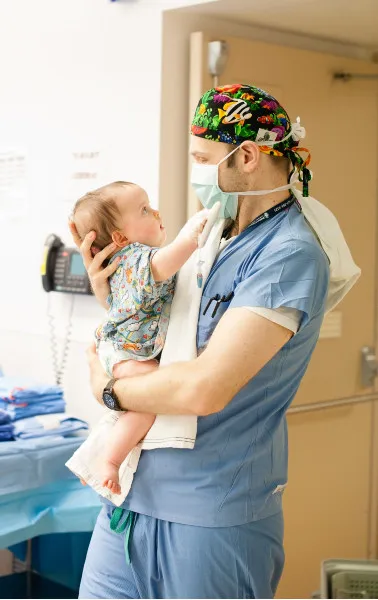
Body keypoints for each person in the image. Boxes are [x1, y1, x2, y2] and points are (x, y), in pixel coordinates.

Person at [71, 84, 331, 599]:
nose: (194, 172)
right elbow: (168, 335)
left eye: (202, 158)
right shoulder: (216, 233)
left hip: (210, 515)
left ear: (248, 155)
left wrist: (108, 385)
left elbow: (202, 389)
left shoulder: (287, 255)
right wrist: (116, 298)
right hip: (129, 498)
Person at [70, 181, 208, 495]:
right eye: (144, 209)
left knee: (133, 410)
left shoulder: (128, 260)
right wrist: (191, 234)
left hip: (123, 347)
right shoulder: (135, 258)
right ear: (120, 238)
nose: (155, 211)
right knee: (147, 403)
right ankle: (109, 462)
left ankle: (93, 459)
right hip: (124, 352)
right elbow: (162, 265)